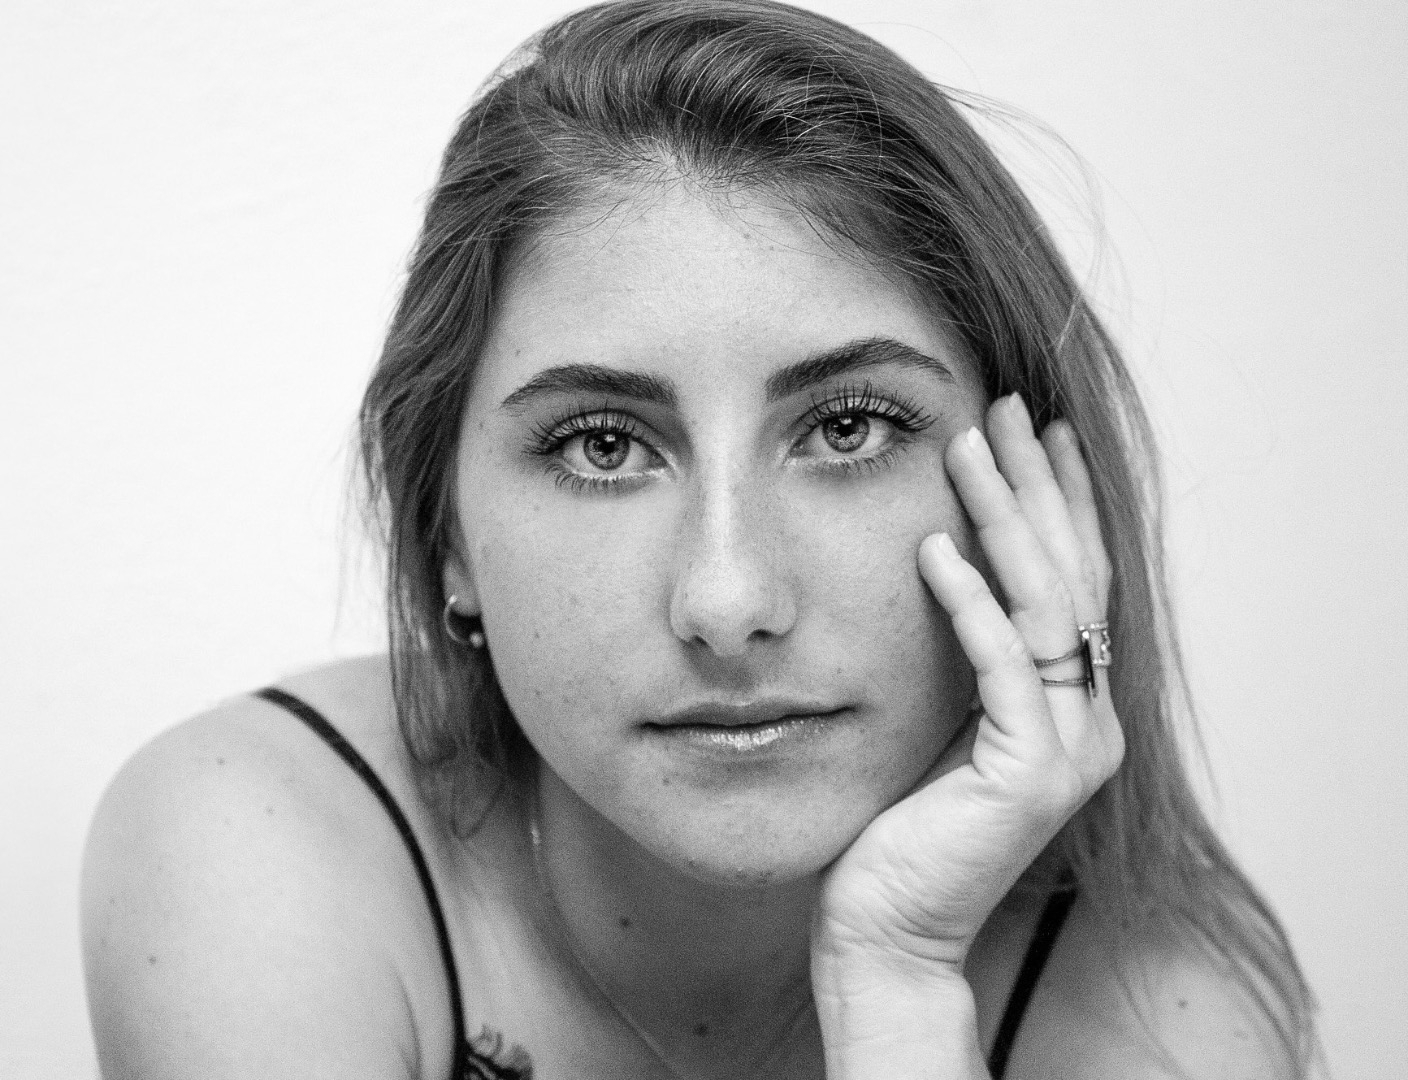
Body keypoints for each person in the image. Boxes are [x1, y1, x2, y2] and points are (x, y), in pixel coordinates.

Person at [80, 1, 1319, 1076]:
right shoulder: (259, 849)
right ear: (446, 536)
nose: (727, 600)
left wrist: (897, 986)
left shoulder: (1167, 1014)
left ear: (1032, 503)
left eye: (845, 428)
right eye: (601, 446)